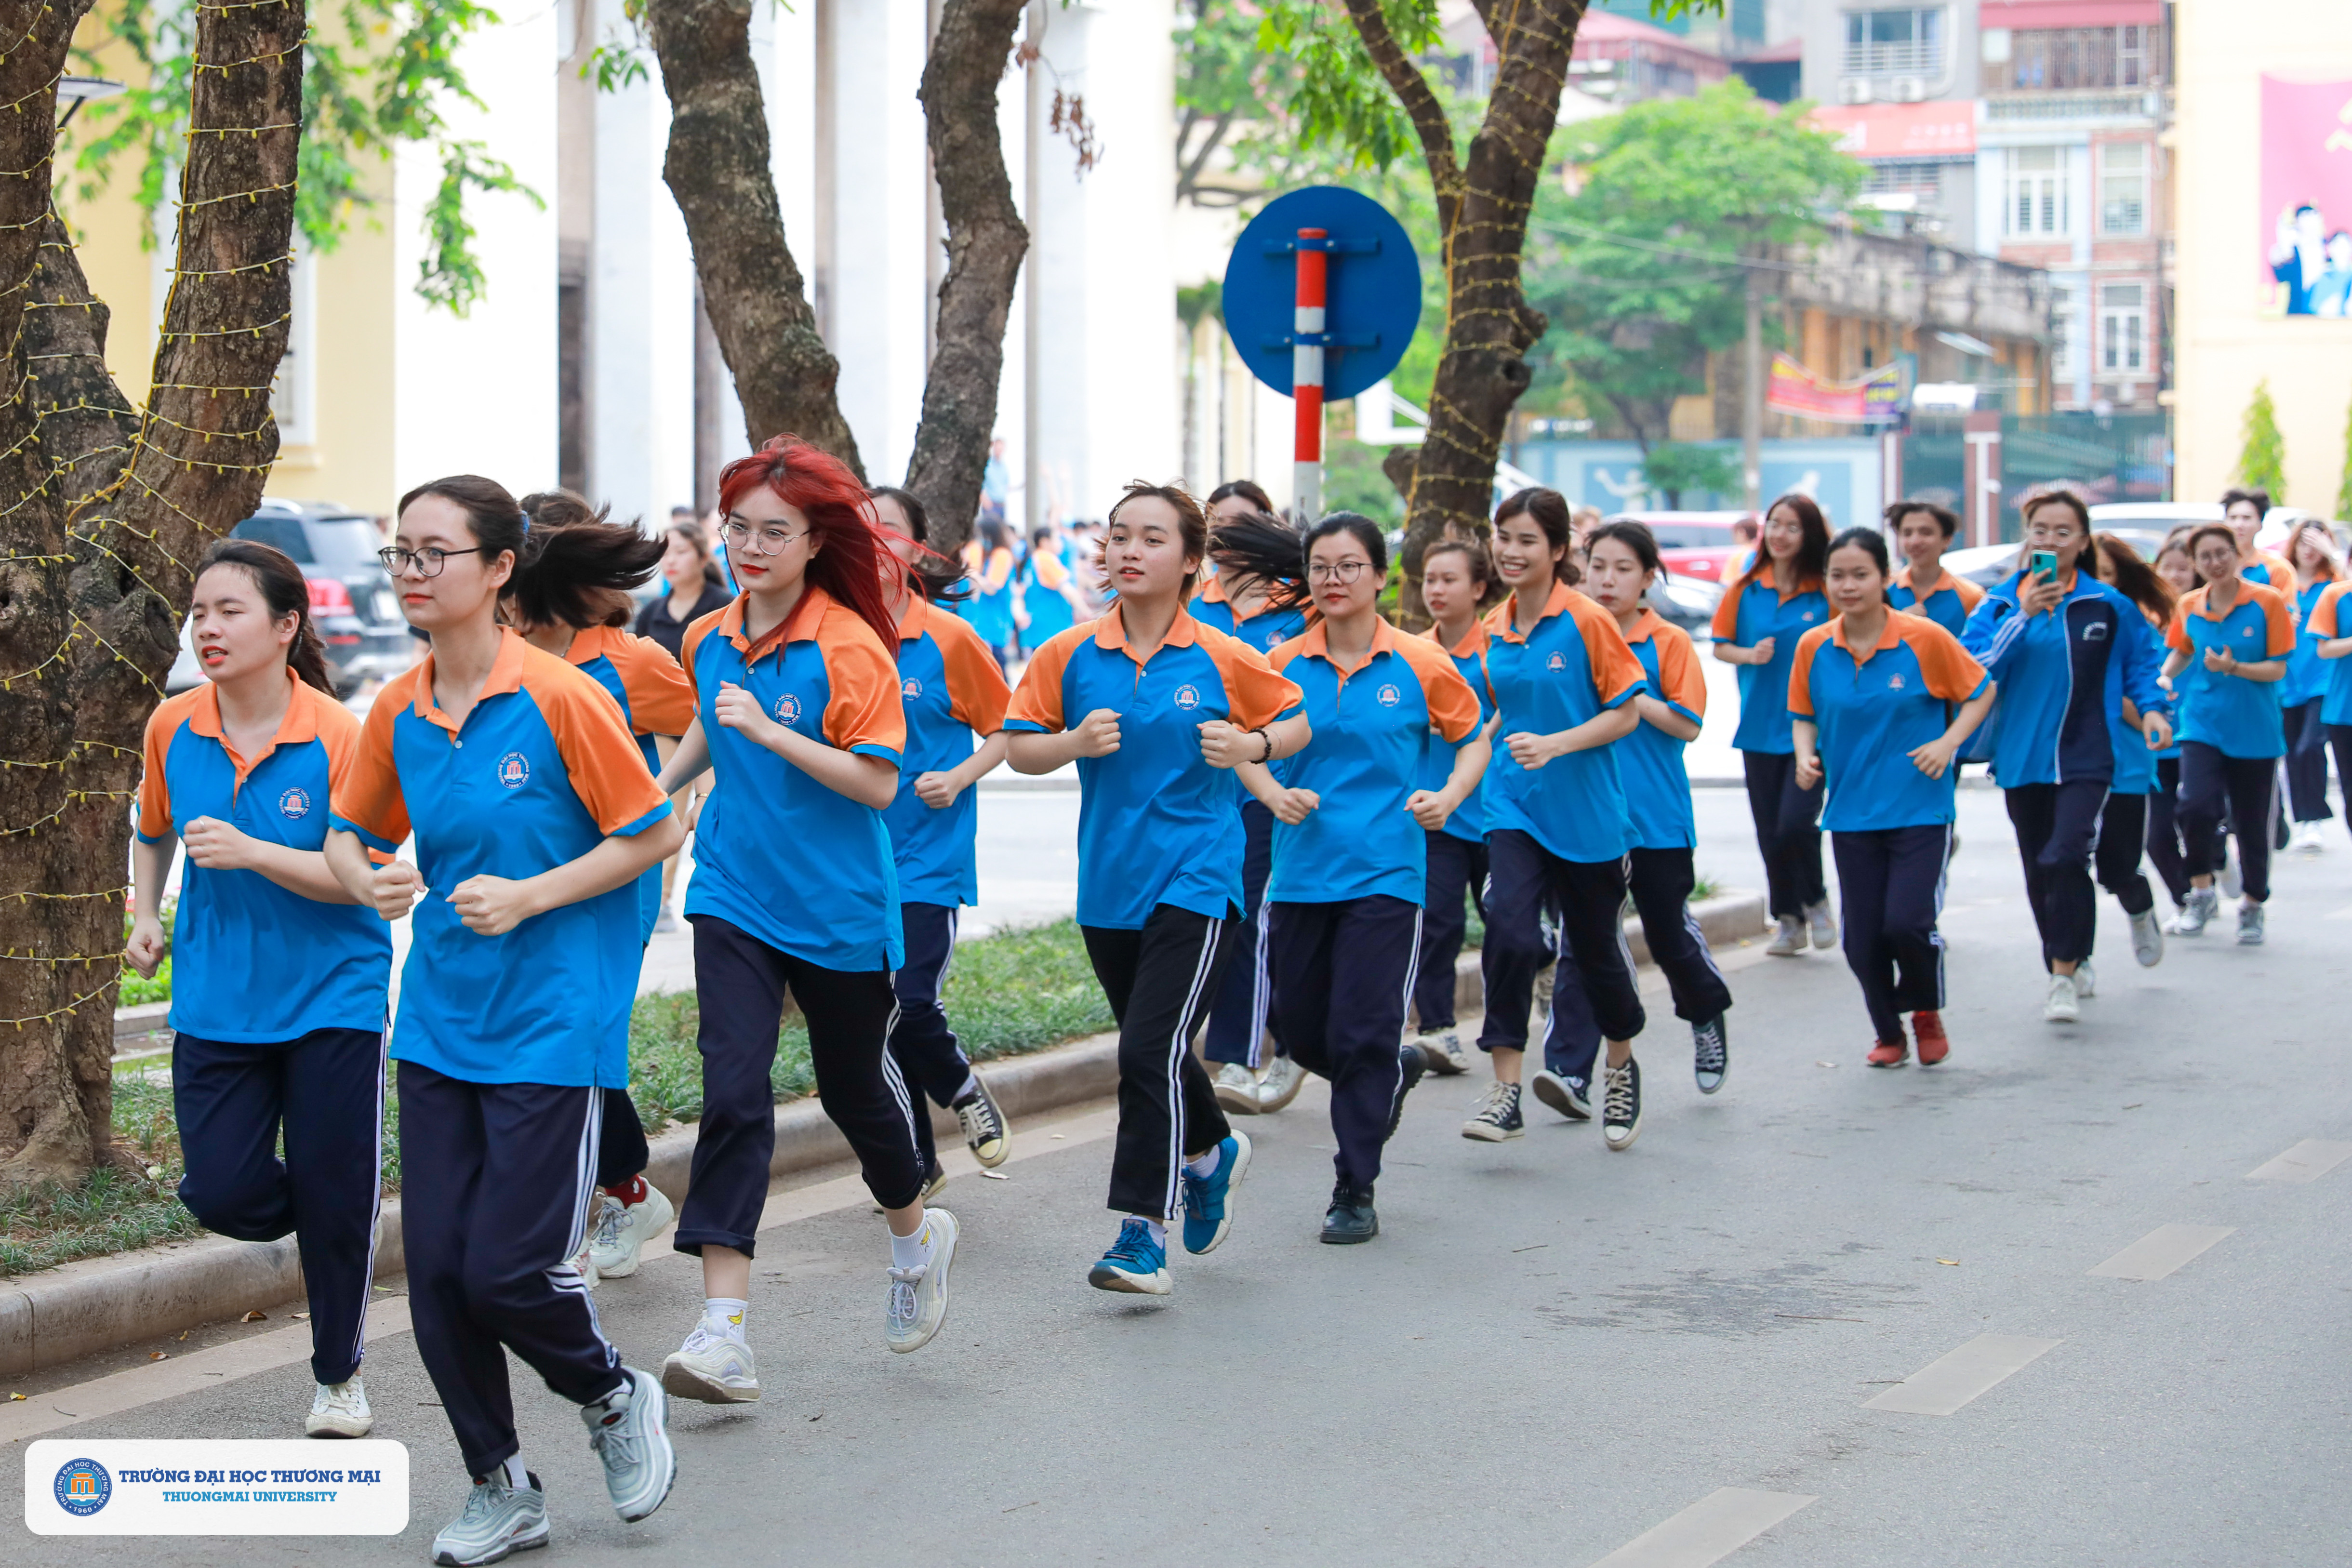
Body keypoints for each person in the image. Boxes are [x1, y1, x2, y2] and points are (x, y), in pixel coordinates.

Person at [325, 476, 683, 1563]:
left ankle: (613, 1394)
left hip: (552, 1020)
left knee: (508, 1270)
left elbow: (650, 833)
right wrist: (366, 878)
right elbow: (353, 831)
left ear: (497, 570)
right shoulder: (398, 706)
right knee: (434, 1271)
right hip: (437, 1021)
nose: (410, 571)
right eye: (401, 552)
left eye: (434, 552)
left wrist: (530, 895)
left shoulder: (563, 696)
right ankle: (502, 1484)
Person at [649, 438, 957, 1409]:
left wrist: (774, 731)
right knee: (732, 1088)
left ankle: (913, 1232)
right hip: (733, 888)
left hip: (838, 905)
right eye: (735, 526)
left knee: (853, 1089)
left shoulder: (849, 644)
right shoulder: (709, 633)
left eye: (770, 530)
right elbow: (711, 713)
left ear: (815, 539)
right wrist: (657, 793)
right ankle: (722, 1331)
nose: (746, 545)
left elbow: (876, 778)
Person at [1005, 480, 1309, 1295]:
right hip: (1110, 884)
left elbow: (1297, 718)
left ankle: (1142, 1230)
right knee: (1160, 1051)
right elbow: (1017, 747)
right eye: (1118, 536)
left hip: (1200, 874)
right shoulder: (1068, 653)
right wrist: (1071, 740)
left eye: (1150, 538)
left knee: (1146, 1049)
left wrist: (1251, 739)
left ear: (1190, 561)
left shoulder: (1220, 653)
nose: (1129, 551)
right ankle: (1213, 1153)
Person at [128, 540, 394, 1442]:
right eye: (200, 611)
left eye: (229, 610)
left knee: (333, 1189)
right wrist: (148, 913)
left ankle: (339, 1378)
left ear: (287, 625)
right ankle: (338, 1208)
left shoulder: (339, 734)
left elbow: (365, 878)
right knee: (223, 1192)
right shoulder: (174, 725)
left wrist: (253, 851)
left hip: (332, 994)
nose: (207, 626)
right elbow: (153, 823)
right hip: (216, 996)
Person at [1238, 513, 1484, 1241]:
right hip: (1302, 874)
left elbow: (1471, 738)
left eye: (1349, 566)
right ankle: (1393, 1068)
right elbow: (1244, 745)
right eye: (1320, 566)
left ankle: (1354, 1184)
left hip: (1388, 872)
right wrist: (1271, 792)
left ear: (1381, 577)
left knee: (1363, 1027)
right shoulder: (1280, 664)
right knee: (1305, 1028)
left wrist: (1446, 797)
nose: (1333, 579)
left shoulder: (1418, 662)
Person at [493, 492, 696, 1291]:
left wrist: (665, 826)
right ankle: (627, 1190)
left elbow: (692, 732)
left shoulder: (633, 660)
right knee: (544, 1031)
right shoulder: (499, 655)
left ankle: (600, 1200)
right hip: (528, 875)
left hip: (617, 881)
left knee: (589, 1029)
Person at [1462, 486, 1650, 1151]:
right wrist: (1457, 775)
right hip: (1512, 804)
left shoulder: (1587, 621)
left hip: (1588, 815)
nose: (1510, 552)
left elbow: (1625, 711)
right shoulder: (1492, 629)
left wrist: (1555, 744)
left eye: (1525, 540)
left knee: (1595, 952)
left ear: (1559, 549)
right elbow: (1487, 716)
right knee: (1510, 930)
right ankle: (1506, 1087)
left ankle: (1622, 1066)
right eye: (1502, 537)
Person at [1960, 491, 2172, 1024]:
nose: (2050, 540)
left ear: (2081, 542)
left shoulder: (2108, 605)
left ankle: (2062, 975)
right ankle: (2073, 958)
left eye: (2062, 532)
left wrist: (2152, 710)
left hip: (2088, 753)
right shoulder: (1999, 604)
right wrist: (2023, 617)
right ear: (2026, 536)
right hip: (2021, 756)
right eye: (2040, 530)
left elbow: (2143, 664)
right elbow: (1973, 670)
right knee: (2039, 868)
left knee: (2065, 855)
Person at [1789, 529, 1994, 1066]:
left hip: (1919, 807)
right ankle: (1889, 1032)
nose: (1849, 585)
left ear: (1886, 578)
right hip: (1851, 811)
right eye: (1839, 575)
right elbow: (1804, 713)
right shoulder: (1814, 645)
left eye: (1861, 575)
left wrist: (1949, 743)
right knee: (1861, 941)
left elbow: (1981, 690)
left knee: (1906, 921)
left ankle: (1925, 1010)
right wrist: (1804, 754)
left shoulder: (1923, 638)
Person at [1551, 520, 1734, 1098]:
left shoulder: (1668, 642)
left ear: (1649, 577)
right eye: (1598, 565)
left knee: (1667, 934)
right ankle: (1571, 1069)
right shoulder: (1569, 634)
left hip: (1655, 818)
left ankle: (1705, 1011)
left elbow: (1688, 723)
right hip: (1586, 815)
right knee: (1583, 941)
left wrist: (1632, 693)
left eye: (1623, 568)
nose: (1607, 580)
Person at [870, 484, 1017, 1187]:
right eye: (858, 529)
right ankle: (918, 1164)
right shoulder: (834, 635)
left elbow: (1006, 731)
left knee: (909, 998)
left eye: (888, 529)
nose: (872, 542)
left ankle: (960, 1088)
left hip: (928, 853)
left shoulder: (950, 638)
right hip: (851, 857)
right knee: (876, 1017)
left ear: (917, 545)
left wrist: (958, 776)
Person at [1189, 509, 1314, 1116]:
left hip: (1276, 792)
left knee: (1261, 923)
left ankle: (1246, 1053)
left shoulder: (1300, 609)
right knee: (1236, 923)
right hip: (1212, 798)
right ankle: (1256, 1048)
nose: (1223, 556)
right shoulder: (1194, 608)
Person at [1711, 492, 1835, 957]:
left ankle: (1816, 899)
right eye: (1774, 524)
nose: (1780, 535)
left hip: (1813, 729)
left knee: (1795, 824)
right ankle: (1788, 919)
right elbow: (1721, 644)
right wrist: (1749, 655)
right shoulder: (1745, 589)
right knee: (1769, 832)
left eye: (1792, 526)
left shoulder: (1824, 590)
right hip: (1759, 727)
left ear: (1809, 535)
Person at [2160, 523, 2294, 945]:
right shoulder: (2188, 606)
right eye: (2205, 557)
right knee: (2194, 807)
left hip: (2254, 728)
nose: (2214, 563)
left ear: (2236, 555)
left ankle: (2253, 904)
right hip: (2201, 723)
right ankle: (2201, 890)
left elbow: (2277, 668)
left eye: (2221, 554)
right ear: (2196, 564)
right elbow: (2182, 649)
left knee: (2252, 824)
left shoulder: (2266, 602)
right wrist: (2164, 678)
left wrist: (2234, 668)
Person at [1406, 537, 1498, 1076]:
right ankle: (1438, 1029)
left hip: (1496, 815)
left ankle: (1544, 960)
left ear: (1479, 588)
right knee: (1437, 922)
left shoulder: (1499, 654)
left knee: (1509, 924)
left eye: (1449, 580)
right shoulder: (1415, 654)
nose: (1436, 590)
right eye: (1430, 580)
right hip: (1436, 811)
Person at [2086, 532, 2184, 971]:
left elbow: (2145, 690)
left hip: (2124, 758)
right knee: (2062, 862)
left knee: (2115, 864)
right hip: (2062, 760)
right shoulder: (2044, 619)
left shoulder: (2132, 625)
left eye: (2105, 575)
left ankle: (2138, 904)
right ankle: (2070, 960)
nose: (2096, 586)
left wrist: (2141, 712)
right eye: (2089, 575)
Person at [2145, 533, 2201, 913]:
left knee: (2199, 815)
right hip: (2154, 740)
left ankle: (2209, 873)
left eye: (2184, 568)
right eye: (2168, 568)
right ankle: (2186, 899)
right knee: (2156, 835)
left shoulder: (2208, 616)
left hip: (2199, 735)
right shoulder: (2138, 620)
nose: (2176, 575)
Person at [2279, 519, 2340, 854]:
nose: (2309, 548)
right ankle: (2303, 820)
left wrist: (2334, 555)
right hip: (2288, 680)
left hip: (2325, 680)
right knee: (2291, 752)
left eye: (2316, 541)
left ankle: (2314, 818)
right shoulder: (2283, 582)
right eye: (2303, 541)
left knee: (2309, 747)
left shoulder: (2332, 583)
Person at [1885, 500, 1985, 636]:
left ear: (1947, 540)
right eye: (1907, 533)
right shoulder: (1884, 591)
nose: (1915, 541)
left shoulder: (1972, 597)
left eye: (1926, 533)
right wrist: (1897, 622)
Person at [959, 516, 1020, 671]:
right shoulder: (989, 555)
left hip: (996, 621)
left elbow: (992, 588)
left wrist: (972, 574)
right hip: (985, 621)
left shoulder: (1002, 555)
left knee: (997, 668)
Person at [1017, 518, 1087, 650]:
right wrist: (1086, 612)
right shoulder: (1045, 559)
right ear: (1044, 542)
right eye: (1057, 539)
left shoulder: (1033, 559)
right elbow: (1068, 590)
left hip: (1039, 628)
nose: (1061, 543)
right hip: (1051, 629)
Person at [2222, 488, 2297, 599]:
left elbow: (2286, 614)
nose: (2239, 525)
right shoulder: (2212, 566)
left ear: (2260, 524)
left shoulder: (2277, 569)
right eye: (2233, 518)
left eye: (2246, 518)